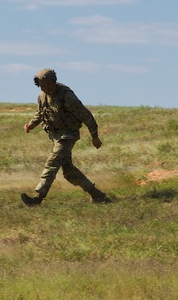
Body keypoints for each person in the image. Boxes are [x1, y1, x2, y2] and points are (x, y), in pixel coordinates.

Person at [21, 69, 111, 206]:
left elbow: (85, 115)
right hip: (56, 136)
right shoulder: (42, 97)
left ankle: (37, 198)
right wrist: (31, 125)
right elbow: (40, 113)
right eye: (41, 86)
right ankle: (97, 195)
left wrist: (95, 136)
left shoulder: (67, 96)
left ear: (53, 82)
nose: (43, 89)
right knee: (68, 171)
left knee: (52, 163)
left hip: (68, 135)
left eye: (45, 85)